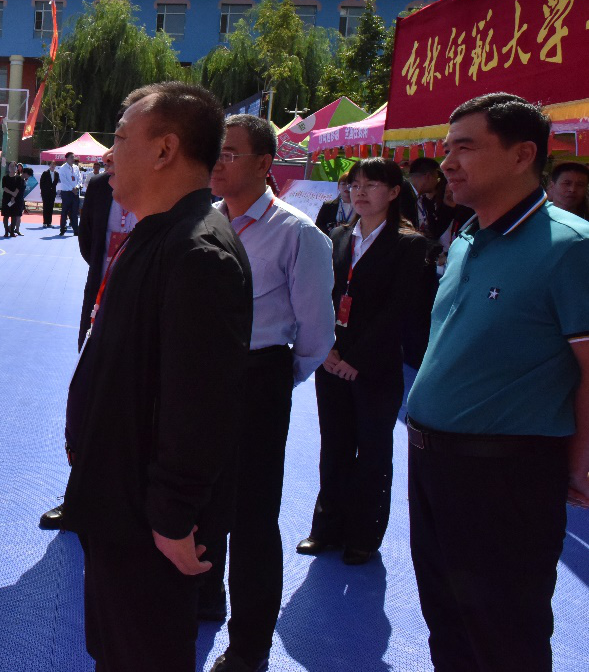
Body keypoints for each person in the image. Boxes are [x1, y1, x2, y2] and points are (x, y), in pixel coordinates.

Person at [63, 82, 252, 672]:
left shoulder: (197, 252)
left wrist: (172, 515)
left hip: (148, 523)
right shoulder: (157, 234)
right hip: (118, 502)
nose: (108, 154)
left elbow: (200, 404)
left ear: (166, 150)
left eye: (121, 138)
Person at [404, 93, 589, 672]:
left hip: (505, 475)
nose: (447, 162)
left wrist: (580, 462)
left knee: (504, 634)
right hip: (431, 464)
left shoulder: (571, 246)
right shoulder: (466, 237)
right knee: (447, 624)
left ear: (522, 155)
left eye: (465, 147)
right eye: (446, 147)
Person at [202, 115, 335, 672]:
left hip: (259, 377)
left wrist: (275, 377)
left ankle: (250, 645)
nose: (217, 161)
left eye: (230, 153)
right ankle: (204, 596)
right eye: (215, 151)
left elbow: (316, 333)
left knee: (253, 517)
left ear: (264, 163)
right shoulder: (204, 221)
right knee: (200, 495)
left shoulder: (298, 234)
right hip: (202, 377)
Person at [296, 158, 434, 571]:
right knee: (334, 446)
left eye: (371, 184)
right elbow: (321, 295)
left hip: (375, 367)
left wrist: (357, 358)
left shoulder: (411, 245)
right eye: (354, 184)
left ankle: (363, 536)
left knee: (372, 451)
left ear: (393, 192)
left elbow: (400, 310)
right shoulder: (337, 236)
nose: (359, 191)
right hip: (332, 360)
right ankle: (327, 528)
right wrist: (327, 349)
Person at [39, 167, 137, 531]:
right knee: (86, 400)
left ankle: (129, 499)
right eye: (118, 139)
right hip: (100, 301)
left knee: (134, 404)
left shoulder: (162, 185)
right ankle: (79, 496)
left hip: (144, 305)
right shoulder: (99, 186)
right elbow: (88, 242)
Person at [408, 156, 452, 240]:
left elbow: (435, 231)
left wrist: (449, 205)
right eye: (437, 178)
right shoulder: (402, 196)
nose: (437, 182)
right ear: (428, 176)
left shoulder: (424, 200)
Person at [57, 151, 80, 235]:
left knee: (75, 212)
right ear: (66, 159)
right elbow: (64, 181)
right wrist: (71, 189)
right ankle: (62, 229)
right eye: (71, 157)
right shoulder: (62, 168)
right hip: (66, 193)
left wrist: (77, 187)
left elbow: (79, 179)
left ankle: (76, 230)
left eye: (74, 157)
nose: (73, 159)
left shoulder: (76, 167)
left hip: (75, 192)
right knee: (65, 211)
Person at [1, 162, 24, 237]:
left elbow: (18, 188)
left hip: (14, 199)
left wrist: (14, 195)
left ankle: (12, 232)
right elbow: (4, 188)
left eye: (14, 166)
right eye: (11, 166)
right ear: (8, 168)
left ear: (16, 168)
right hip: (6, 198)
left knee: (14, 215)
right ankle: (6, 232)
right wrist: (12, 193)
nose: (12, 168)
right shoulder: (5, 177)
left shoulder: (18, 178)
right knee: (6, 215)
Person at [40, 162, 59, 227]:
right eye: (51, 164)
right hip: (45, 193)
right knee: (45, 207)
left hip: (52, 193)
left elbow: (55, 183)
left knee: (51, 207)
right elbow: (41, 183)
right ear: (49, 165)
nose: (52, 166)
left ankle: (49, 222)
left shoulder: (56, 174)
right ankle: (45, 222)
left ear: (55, 166)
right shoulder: (45, 173)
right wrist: (43, 192)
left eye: (54, 164)